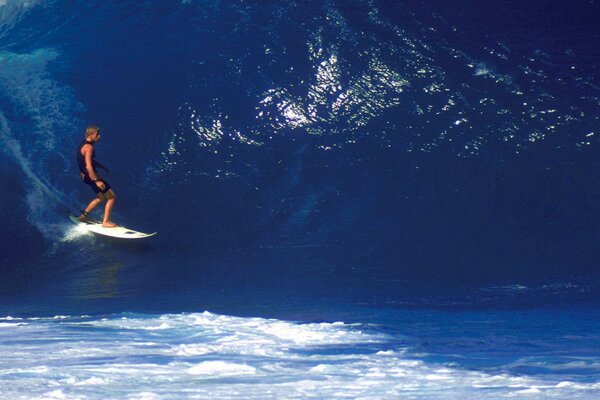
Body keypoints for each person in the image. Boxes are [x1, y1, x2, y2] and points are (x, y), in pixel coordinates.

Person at [77, 125, 117, 227]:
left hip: (86, 176)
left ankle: (83, 216)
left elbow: (82, 160)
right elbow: (89, 165)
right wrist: (97, 181)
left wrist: (100, 166)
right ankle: (105, 222)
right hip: (92, 177)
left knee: (101, 197)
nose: (99, 136)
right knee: (111, 197)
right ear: (90, 135)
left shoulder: (83, 144)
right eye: (97, 135)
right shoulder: (89, 147)